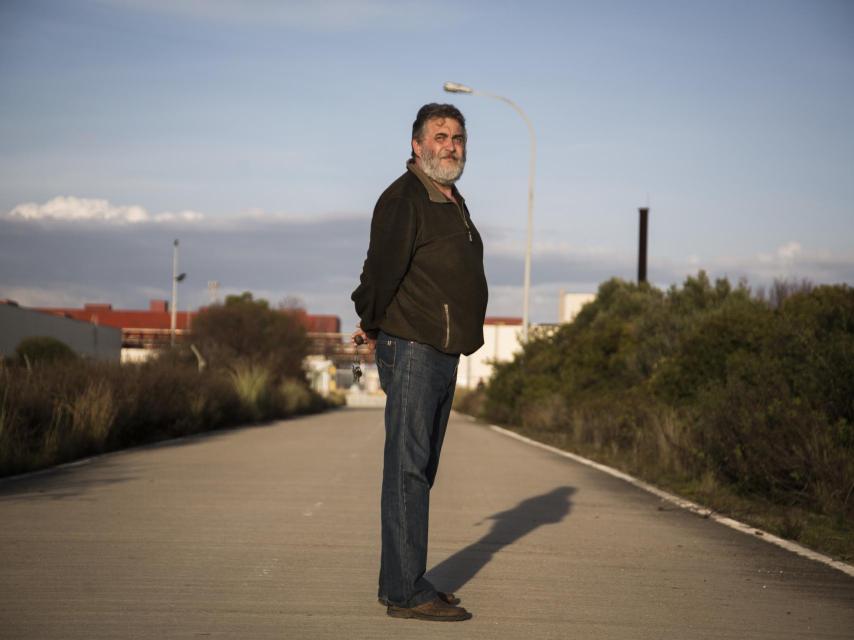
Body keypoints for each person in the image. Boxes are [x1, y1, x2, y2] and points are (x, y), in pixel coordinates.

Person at [351, 103, 488, 622]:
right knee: (408, 469)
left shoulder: (449, 198)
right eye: (440, 136)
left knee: (420, 469)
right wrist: (372, 318)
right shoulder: (405, 198)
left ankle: (406, 577)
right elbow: (381, 268)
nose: (450, 145)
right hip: (411, 347)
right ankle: (405, 593)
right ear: (416, 145)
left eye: (457, 137)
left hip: (440, 349)